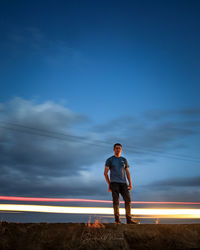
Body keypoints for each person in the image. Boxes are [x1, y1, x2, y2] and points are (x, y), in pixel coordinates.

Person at [104, 143, 138, 224]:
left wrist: (130, 183)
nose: (118, 149)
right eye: (116, 148)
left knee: (128, 200)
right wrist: (109, 184)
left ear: (121, 150)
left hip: (123, 183)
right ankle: (117, 220)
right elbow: (105, 173)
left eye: (119, 148)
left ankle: (129, 220)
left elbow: (127, 172)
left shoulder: (124, 160)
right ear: (113, 149)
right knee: (116, 202)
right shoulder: (110, 160)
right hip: (114, 183)